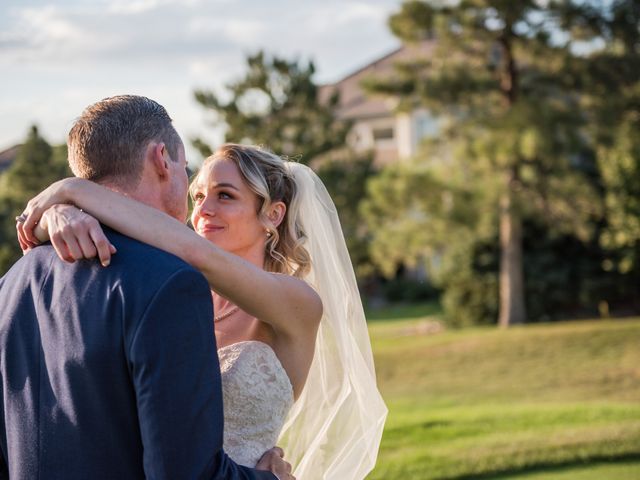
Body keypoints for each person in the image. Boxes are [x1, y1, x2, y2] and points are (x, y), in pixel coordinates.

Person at [17, 132, 387, 478]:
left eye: (225, 195)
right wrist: (59, 214)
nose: (203, 210)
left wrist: (71, 189)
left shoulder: (298, 302)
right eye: (198, 197)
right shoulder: (171, 295)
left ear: (272, 215)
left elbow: (196, 253)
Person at [0, 95, 290, 479]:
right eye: (186, 170)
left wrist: (67, 198)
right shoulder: (169, 283)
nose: (198, 207)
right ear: (161, 160)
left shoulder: (13, 282)